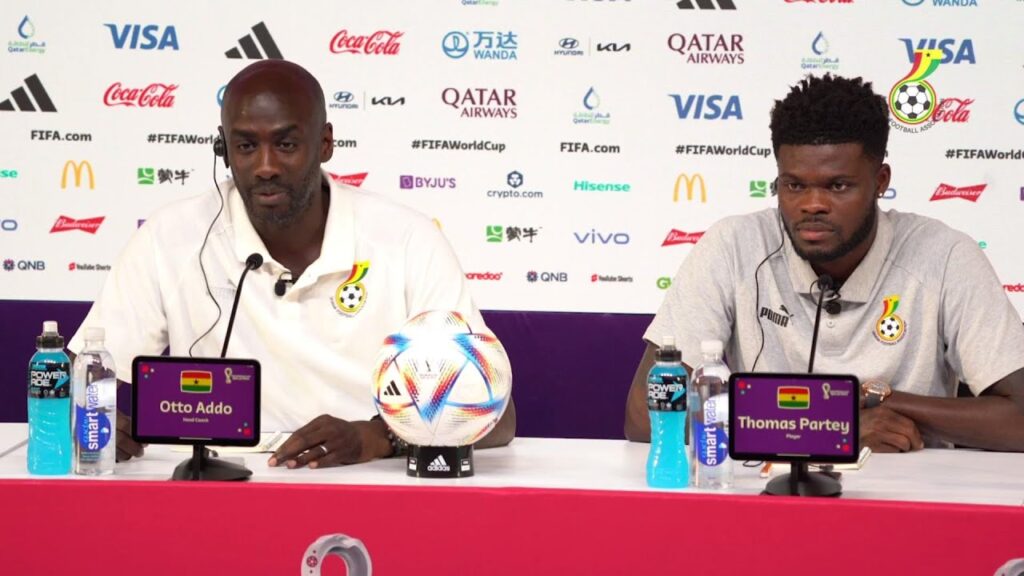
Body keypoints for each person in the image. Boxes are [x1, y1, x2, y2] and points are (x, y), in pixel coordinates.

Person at [69, 60, 515, 468]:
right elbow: (69, 379)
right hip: (213, 489)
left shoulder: (406, 238)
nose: (265, 166)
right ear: (223, 149)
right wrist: (87, 419)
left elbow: (498, 417)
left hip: (367, 483)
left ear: (324, 143)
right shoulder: (170, 237)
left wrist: (380, 437)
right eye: (245, 145)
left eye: (285, 144)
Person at [625, 74, 1024, 452]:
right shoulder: (735, 245)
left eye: (838, 185)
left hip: (906, 500)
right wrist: (836, 424)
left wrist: (884, 401)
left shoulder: (945, 255)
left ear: (881, 181)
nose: (812, 204)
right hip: (769, 495)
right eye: (794, 184)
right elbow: (646, 417)